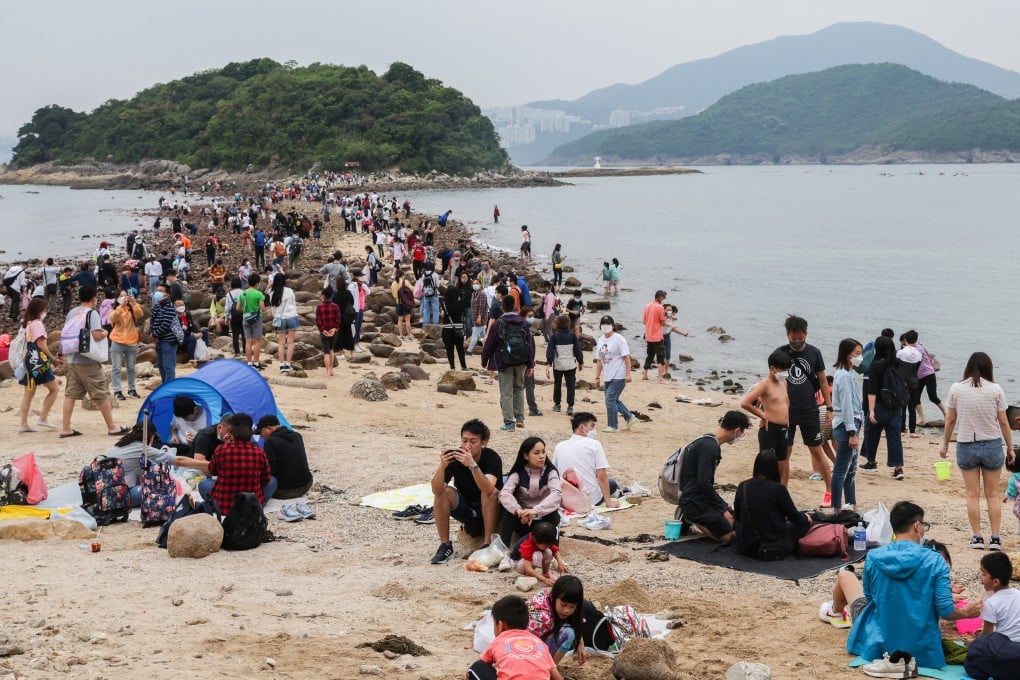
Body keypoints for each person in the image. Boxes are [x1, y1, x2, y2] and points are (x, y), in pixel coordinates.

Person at [846, 501, 981, 669]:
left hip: (880, 644)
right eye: (924, 524)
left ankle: (833, 611)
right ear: (917, 525)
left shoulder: (874, 557)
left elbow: (870, 596)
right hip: (924, 649)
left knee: (846, 577)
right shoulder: (935, 560)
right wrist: (966, 612)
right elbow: (946, 610)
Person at [940, 352, 1014, 550]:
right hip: (992, 444)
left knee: (972, 494)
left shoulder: (956, 388)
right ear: (988, 368)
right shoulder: (996, 389)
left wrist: (945, 444)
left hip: (966, 444)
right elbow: (1004, 422)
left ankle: (977, 538)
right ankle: (996, 539)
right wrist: (1010, 446)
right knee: (992, 495)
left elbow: (950, 420)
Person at [776, 315, 832, 503]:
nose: (798, 342)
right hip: (786, 413)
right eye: (794, 338)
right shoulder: (780, 354)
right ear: (787, 335)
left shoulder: (814, 353)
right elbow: (772, 383)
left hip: (809, 410)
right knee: (785, 453)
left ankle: (830, 490)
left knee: (816, 449)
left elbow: (823, 380)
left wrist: (829, 407)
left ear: (806, 334)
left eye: (801, 338)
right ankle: (782, 492)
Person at [429, 419, 502, 565]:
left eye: (473, 441)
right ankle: (445, 545)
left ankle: (487, 543)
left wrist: (473, 466)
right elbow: (435, 490)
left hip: (490, 509)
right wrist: (442, 467)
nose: (467, 446)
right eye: (464, 441)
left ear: (484, 442)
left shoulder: (491, 457)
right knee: (444, 492)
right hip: (467, 508)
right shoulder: (454, 457)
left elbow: (488, 489)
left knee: (490, 493)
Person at [58, 285, 127, 438]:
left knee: (70, 394)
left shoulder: (72, 312)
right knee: (101, 393)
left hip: (73, 359)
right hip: (88, 360)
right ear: (93, 298)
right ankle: (112, 427)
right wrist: (106, 332)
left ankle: (66, 428)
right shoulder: (92, 313)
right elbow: (96, 335)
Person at [677, 410, 751, 543]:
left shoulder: (708, 440)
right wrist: (722, 509)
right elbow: (703, 482)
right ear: (737, 430)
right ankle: (691, 518)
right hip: (693, 500)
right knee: (730, 537)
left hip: (699, 496)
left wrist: (722, 506)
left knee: (737, 522)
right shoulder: (709, 447)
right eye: (742, 432)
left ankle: (695, 516)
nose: (740, 436)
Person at [179, 413, 276, 511]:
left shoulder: (221, 450)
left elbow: (213, 470)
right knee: (273, 481)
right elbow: (265, 479)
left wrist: (226, 445)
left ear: (231, 433)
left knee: (204, 484)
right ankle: (258, 504)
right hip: (251, 505)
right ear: (250, 432)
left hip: (224, 506)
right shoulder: (259, 451)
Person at [734, 450, 812, 559]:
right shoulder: (778, 489)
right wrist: (805, 518)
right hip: (772, 546)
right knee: (803, 523)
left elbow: (737, 515)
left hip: (746, 546)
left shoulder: (743, 486)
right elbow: (795, 517)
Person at [469, 595, 562, 680]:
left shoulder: (498, 641)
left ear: (500, 625)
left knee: (476, 668)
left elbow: (483, 663)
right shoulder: (539, 643)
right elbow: (557, 677)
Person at [481, 295, 535, 432]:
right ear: (515, 307)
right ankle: (520, 417)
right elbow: (530, 343)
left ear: (502, 307)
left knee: (506, 392)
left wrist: (484, 360)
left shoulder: (499, 323)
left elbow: (489, 344)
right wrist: (531, 364)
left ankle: (509, 421)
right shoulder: (523, 322)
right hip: (521, 361)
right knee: (518, 388)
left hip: (504, 361)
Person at [964, 552, 1020, 680]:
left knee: (974, 654)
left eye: (983, 574)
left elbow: (987, 637)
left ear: (995, 582)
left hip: (1005, 650)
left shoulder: (992, 602)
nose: (980, 577)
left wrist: (973, 643)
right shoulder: (1017, 594)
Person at [499, 437, 563, 546]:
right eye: (536, 453)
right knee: (507, 511)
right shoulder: (518, 473)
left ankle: (553, 548)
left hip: (543, 519)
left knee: (554, 514)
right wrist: (518, 510)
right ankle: (502, 547)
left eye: (543, 452)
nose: (542, 456)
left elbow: (556, 494)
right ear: (525, 456)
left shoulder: (550, 472)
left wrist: (536, 511)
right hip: (523, 520)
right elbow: (504, 493)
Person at [740, 350, 793, 482]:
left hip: (784, 430)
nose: (785, 373)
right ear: (772, 368)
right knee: (767, 468)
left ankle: (777, 496)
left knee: (781, 466)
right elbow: (745, 403)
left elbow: (783, 404)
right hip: (770, 429)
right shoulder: (764, 384)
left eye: (787, 370)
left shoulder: (783, 383)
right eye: (783, 370)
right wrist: (763, 416)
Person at [860, 335, 906, 479]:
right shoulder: (898, 363)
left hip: (880, 405)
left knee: (871, 432)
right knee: (894, 438)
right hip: (896, 406)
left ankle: (871, 461)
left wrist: (871, 410)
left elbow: (872, 390)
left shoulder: (876, 365)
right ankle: (898, 468)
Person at [552, 412, 619, 508]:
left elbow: (554, 474)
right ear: (582, 428)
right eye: (591, 426)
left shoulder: (559, 446)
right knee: (612, 483)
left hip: (566, 501)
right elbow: (602, 476)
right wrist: (609, 502)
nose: (594, 430)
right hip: (591, 500)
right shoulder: (594, 444)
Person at [17, 298, 61, 432]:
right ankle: (43, 418)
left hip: (28, 362)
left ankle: (24, 424)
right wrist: (53, 358)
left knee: (28, 394)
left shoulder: (27, 324)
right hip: (39, 363)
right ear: (39, 310)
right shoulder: (38, 324)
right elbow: (41, 344)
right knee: (54, 389)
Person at [829, 339, 864, 511]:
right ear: (847, 354)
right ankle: (837, 508)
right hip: (846, 426)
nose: (860, 357)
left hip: (853, 424)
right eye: (857, 353)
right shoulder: (842, 376)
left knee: (850, 471)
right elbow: (847, 405)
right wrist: (851, 432)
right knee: (841, 470)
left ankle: (852, 505)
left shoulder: (849, 374)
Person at [109, 420, 176, 509]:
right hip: (119, 498)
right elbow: (177, 460)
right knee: (159, 487)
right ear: (150, 436)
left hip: (103, 494)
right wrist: (200, 464)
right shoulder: (143, 449)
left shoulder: (119, 445)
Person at [526, 575, 586, 667]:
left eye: (572, 607)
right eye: (563, 605)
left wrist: (580, 641)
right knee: (569, 634)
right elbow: (528, 639)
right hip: (526, 647)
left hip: (532, 640)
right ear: (554, 597)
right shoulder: (544, 618)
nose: (567, 610)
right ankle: (550, 670)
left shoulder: (545, 595)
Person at [593, 315, 635, 433]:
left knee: (610, 399)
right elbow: (599, 360)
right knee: (613, 400)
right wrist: (597, 377)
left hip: (619, 375)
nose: (605, 326)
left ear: (612, 325)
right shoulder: (601, 339)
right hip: (608, 375)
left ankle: (613, 426)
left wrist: (628, 374)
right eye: (603, 324)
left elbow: (626, 357)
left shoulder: (619, 339)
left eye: (608, 323)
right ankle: (629, 417)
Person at [256, 415, 313, 499]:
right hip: (306, 485)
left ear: (268, 428)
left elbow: (271, 470)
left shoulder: (270, 441)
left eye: (261, 432)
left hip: (285, 492)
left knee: (267, 479)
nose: (261, 436)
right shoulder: (297, 436)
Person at [546, 314, 583, 416]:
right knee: (570, 385)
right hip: (570, 365)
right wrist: (581, 362)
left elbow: (550, 352)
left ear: (557, 324)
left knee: (557, 384)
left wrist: (548, 364)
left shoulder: (554, 337)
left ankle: (557, 405)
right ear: (568, 324)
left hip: (558, 365)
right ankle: (570, 406)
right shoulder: (572, 336)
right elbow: (577, 350)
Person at [508, 522, 566, 587]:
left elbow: (555, 551)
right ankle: (527, 577)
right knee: (537, 555)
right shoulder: (527, 545)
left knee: (549, 552)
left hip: (527, 561)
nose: (548, 546)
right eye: (546, 545)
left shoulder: (543, 540)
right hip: (517, 563)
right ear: (535, 541)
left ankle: (545, 573)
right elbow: (528, 568)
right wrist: (544, 580)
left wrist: (560, 562)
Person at [109, 290, 143, 400]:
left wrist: (134, 303)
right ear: (117, 298)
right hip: (117, 341)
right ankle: (117, 391)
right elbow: (113, 319)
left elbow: (140, 314)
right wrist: (121, 307)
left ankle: (132, 389)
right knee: (116, 368)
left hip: (131, 341)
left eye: (125, 295)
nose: (123, 297)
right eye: (121, 296)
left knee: (131, 368)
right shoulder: (114, 309)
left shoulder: (132, 309)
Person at [268, 273, 299, 372]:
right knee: (290, 343)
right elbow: (294, 304)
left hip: (280, 319)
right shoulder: (289, 291)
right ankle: (288, 364)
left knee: (281, 343)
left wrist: (276, 317)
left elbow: (273, 309)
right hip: (291, 317)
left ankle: (281, 365)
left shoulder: (272, 293)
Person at [237, 272, 267, 370]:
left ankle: (249, 363)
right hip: (256, 319)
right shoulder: (259, 294)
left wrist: (246, 311)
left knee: (248, 342)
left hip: (245, 318)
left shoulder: (243, 293)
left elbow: (238, 308)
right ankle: (256, 363)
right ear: (257, 283)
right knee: (257, 342)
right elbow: (262, 308)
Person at [641, 290, 668, 383]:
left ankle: (644, 374)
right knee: (661, 356)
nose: (664, 300)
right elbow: (663, 322)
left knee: (650, 355)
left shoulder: (647, 306)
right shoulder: (660, 307)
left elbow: (644, 321)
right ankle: (660, 378)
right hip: (657, 336)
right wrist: (670, 324)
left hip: (648, 335)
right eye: (663, 298)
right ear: (660, 297)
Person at [441, 282, 468, 370]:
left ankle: (452, 367)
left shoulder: (444, 303)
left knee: (449, 349)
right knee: (460, 349)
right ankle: (463, 366)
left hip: (446, 329)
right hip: (458, 328)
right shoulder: (459, 303)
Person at [315, 288, 341, 376]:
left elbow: (318, 321)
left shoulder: (319, 307)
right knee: (331, 349)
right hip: (333, 331)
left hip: (324, 331)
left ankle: (327, 371)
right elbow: (338, 319)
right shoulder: (336, 306)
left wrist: (322, 330)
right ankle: (331, 369)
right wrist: (334, 329)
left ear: (323, 296)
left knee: (326, 351)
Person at [466, 278, 488, 357]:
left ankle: (469, 350)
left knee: (475, 335)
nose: (475, 285)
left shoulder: (482, 294)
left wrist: (479, 317)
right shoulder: (473, 294)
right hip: (474, 316)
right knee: (483, 336)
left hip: (480, 318)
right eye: (474, 283)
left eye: (476, 283)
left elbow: (482, 307)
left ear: (480, 284)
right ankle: (487, 350)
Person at [391, 269, 415, 340]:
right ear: (402, 275)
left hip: (398, 302)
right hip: (406, 303)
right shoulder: (405, 282)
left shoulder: (393, 283)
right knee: (407, 320)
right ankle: (409, 335)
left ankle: (401, 335)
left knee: (400, 319)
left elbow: (393, 294)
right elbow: (413, 289)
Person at [224, 278, 244, 358]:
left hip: (234, 317)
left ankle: (237, 352)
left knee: (235, 335)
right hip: (243, 315)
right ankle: (245, 351)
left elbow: (227, 308)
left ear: (232, 285)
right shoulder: (243, 292)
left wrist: (227, 318)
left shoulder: (229, 294)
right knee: (244, 334)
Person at [417, 261, 441, 326]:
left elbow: (422, 285)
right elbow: (437, 285)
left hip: (426, 294)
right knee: (435, 310)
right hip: (434, 294)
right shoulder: (435, 274)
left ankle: (426, 325)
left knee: (426, 310)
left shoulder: (423, 275)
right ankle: (435, 325)